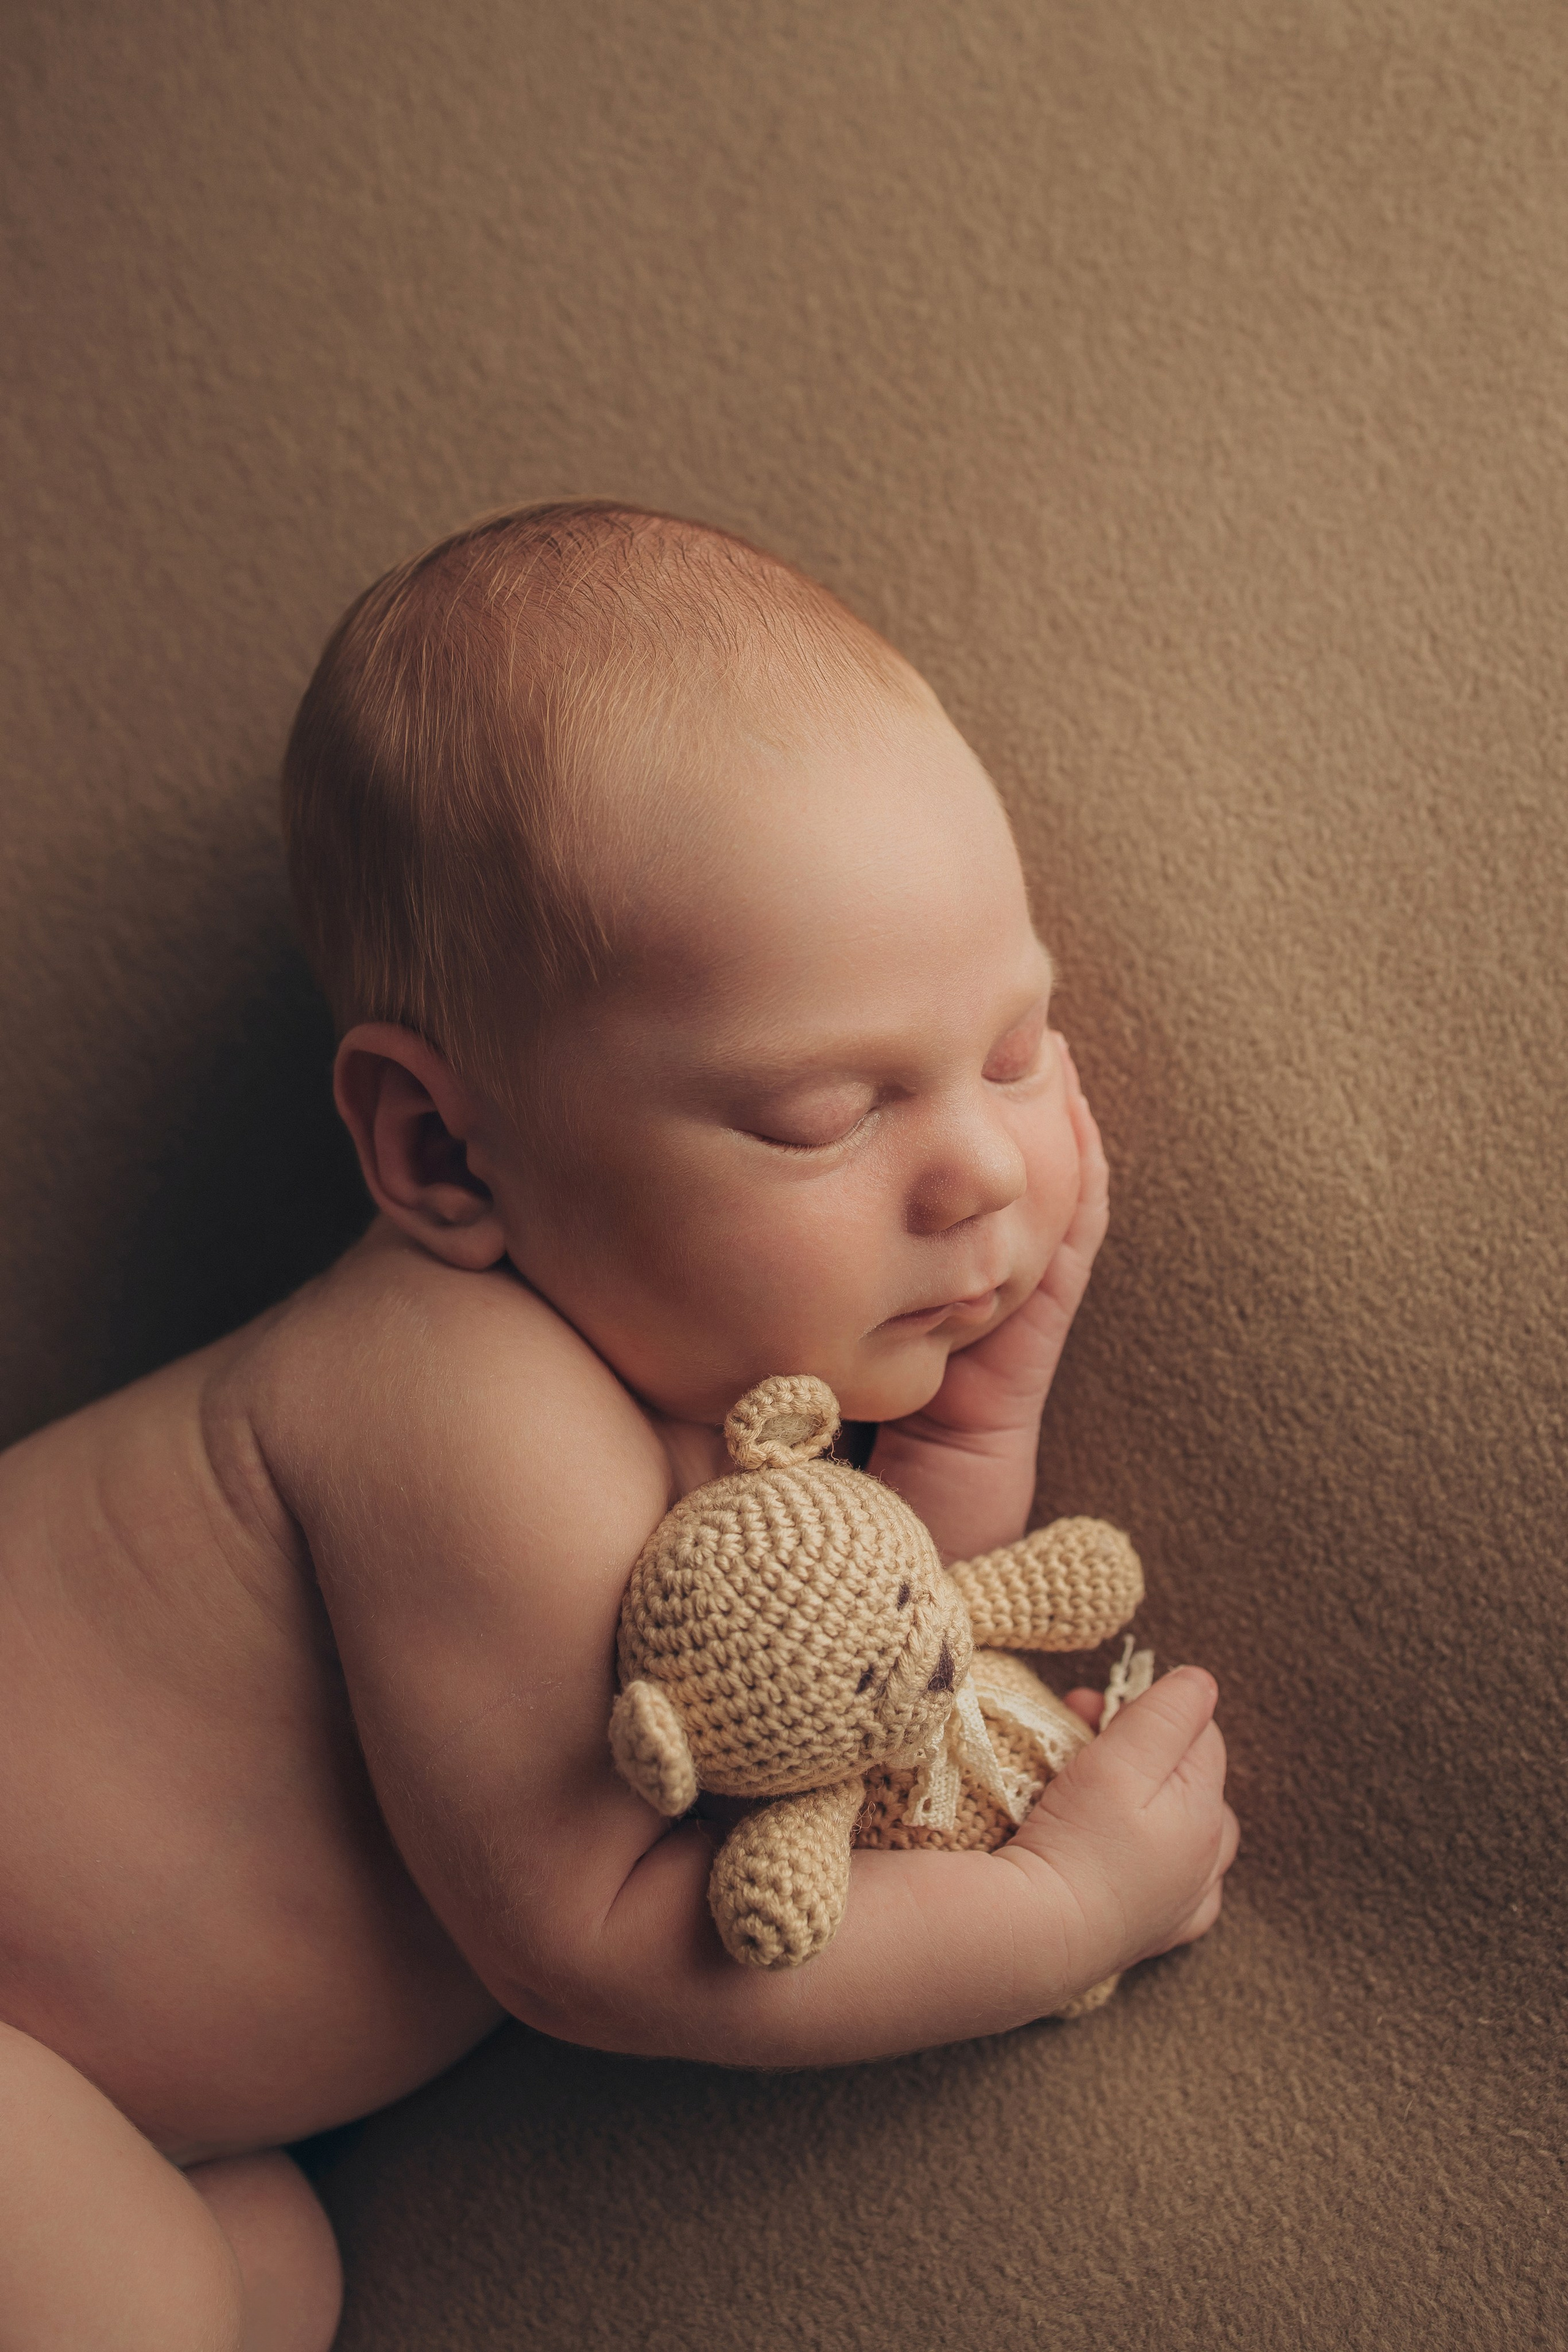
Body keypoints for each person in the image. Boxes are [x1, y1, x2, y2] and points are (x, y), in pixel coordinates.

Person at [0, 502, 1237, 2351]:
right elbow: (610, 1935)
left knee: (268, 2277)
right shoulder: (454, 1393)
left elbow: (874, 1715)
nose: (984, 1166)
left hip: (120, 2097)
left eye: (1012, 1049)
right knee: (157, 2299)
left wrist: (978, 1417)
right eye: (829, 1112)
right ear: (442, 1150)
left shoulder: (716, 1435)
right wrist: (1053, 1920)